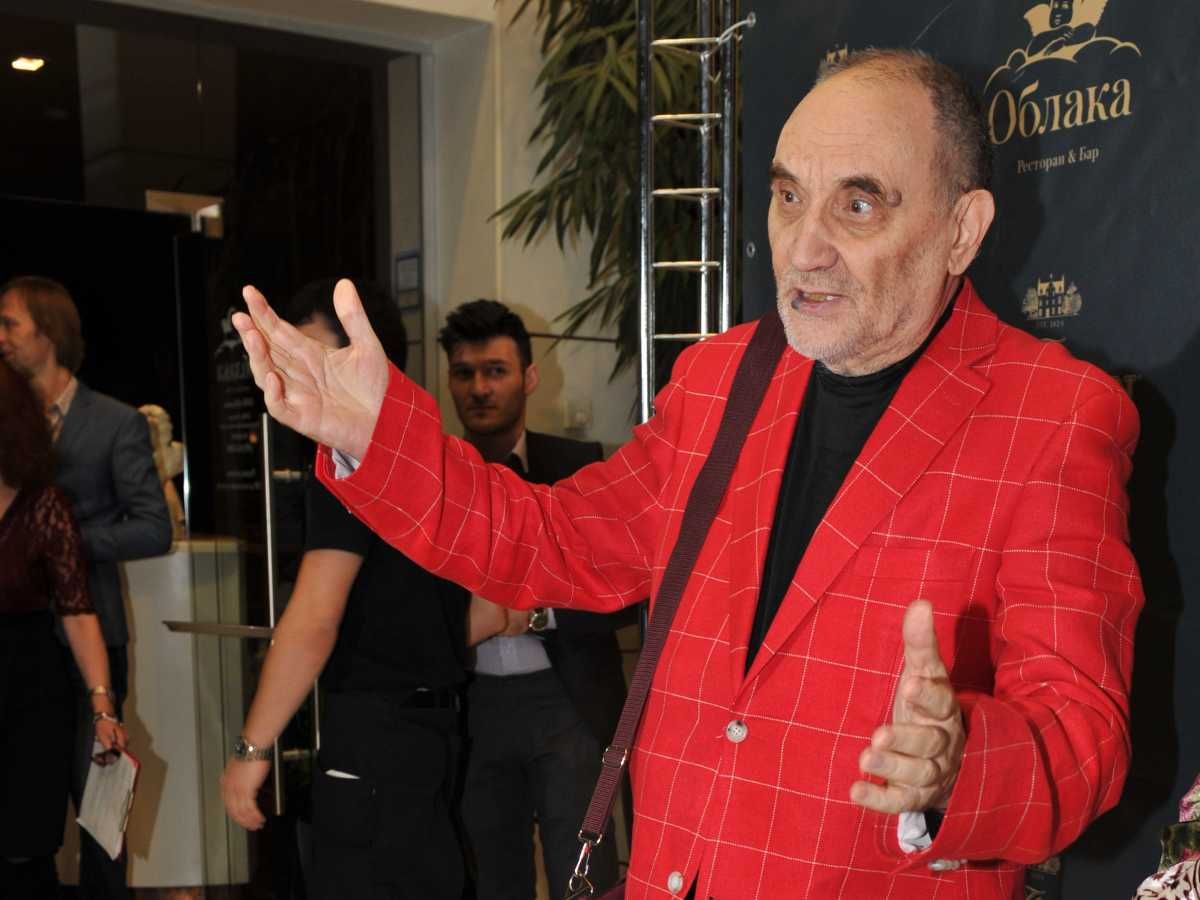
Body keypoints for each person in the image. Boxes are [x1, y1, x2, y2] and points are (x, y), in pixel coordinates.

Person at [233, 49, 1143, 900]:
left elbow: (1085, 739)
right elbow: (548, 541)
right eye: (788, 197)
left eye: (859, 205)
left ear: (961, 230)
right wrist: (376, 436)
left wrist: (960, 763)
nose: (805, 246)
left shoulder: (1054, 415)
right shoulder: (723, 380)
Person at [221, 278, 508, 900]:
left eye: (313, 354)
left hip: (374, 736)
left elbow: (313, 618)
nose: (297, 372)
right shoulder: (442, 451)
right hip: (439, 732)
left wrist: (251, 749)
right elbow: (492, 612)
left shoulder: (349, 462)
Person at [438, 299, 632, 898]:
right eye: (464, 372)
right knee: (492, 880)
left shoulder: (578, 466)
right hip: (472, 706)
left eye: (495, 371)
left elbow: (623, 590)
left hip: (566, 700)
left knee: (584, 879)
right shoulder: (438, 476)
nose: (479, 387)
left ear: (528, 377)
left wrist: (538, 614)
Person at [0, 276, 171, 899]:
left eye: (9, 324)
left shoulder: (114, 422)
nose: (0, 338)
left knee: (97, 810)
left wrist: (60, 543)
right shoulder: (7, 409)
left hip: (89, 634)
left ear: (48, 331)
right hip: (22, 651)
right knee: (28, 815)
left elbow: (154, 527)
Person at [0, 359, 127, 899]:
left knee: (25, 852)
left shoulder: (45, 506)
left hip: (27, 694)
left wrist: (102, 705)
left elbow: (77, 610)